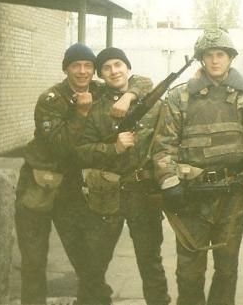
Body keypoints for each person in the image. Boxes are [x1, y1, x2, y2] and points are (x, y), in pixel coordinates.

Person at [152, 28, 243, 305]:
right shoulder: (179, 97)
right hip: (191, 196)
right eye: (209, 55)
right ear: (201, 59)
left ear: (230, 58)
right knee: (189, 272)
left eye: (221, 54)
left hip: (231, 196)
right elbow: (164, 144)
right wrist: (169, 181)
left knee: (227, 269)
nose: (215, 60)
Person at [15, 43, 138, 304]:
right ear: (66, 69)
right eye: (75, 66)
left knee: (86, 257)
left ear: (94, 70)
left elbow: (140, 82)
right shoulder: (50, 99)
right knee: (34, 260)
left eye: (88, 66)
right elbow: (61, 147)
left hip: (71, 186)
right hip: (39, 183)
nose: (82, 71)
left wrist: (129, 95)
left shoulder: (98, 89)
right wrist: (81, 113)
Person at [75, 47, 171, 305]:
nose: (114, 71)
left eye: (118, 64)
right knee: (94, 264)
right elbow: (81, 151)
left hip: (143, 192)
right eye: (106, 67)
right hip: (108, 192)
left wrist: (129, 96)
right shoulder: (95, 108)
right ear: (100, 74)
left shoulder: (152, 102)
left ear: (127, 67)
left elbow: (168, 141)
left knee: (150, 262)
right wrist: (113, 149)